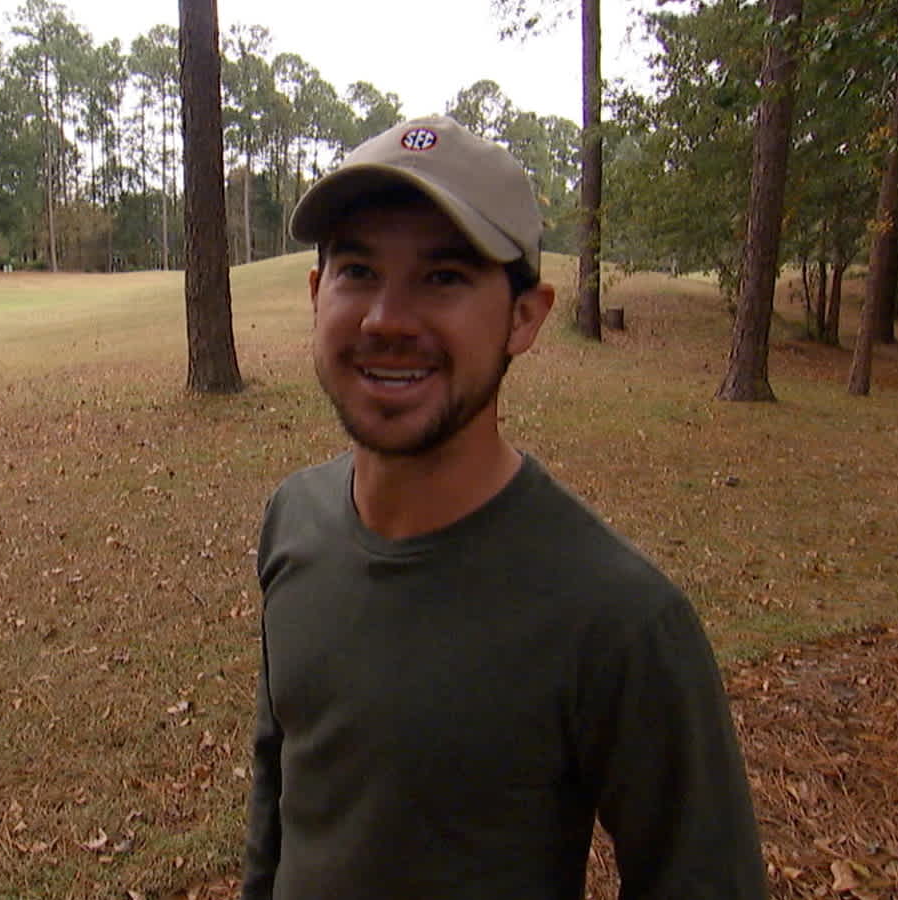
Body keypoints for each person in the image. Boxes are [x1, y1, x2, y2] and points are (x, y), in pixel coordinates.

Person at [242, 115, 767, 900]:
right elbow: (279, 784)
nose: (387, 319)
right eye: (357, 271)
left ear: (525, 316)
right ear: (318, 295)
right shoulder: (295, 518)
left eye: (444, 278)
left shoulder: (617, 617)